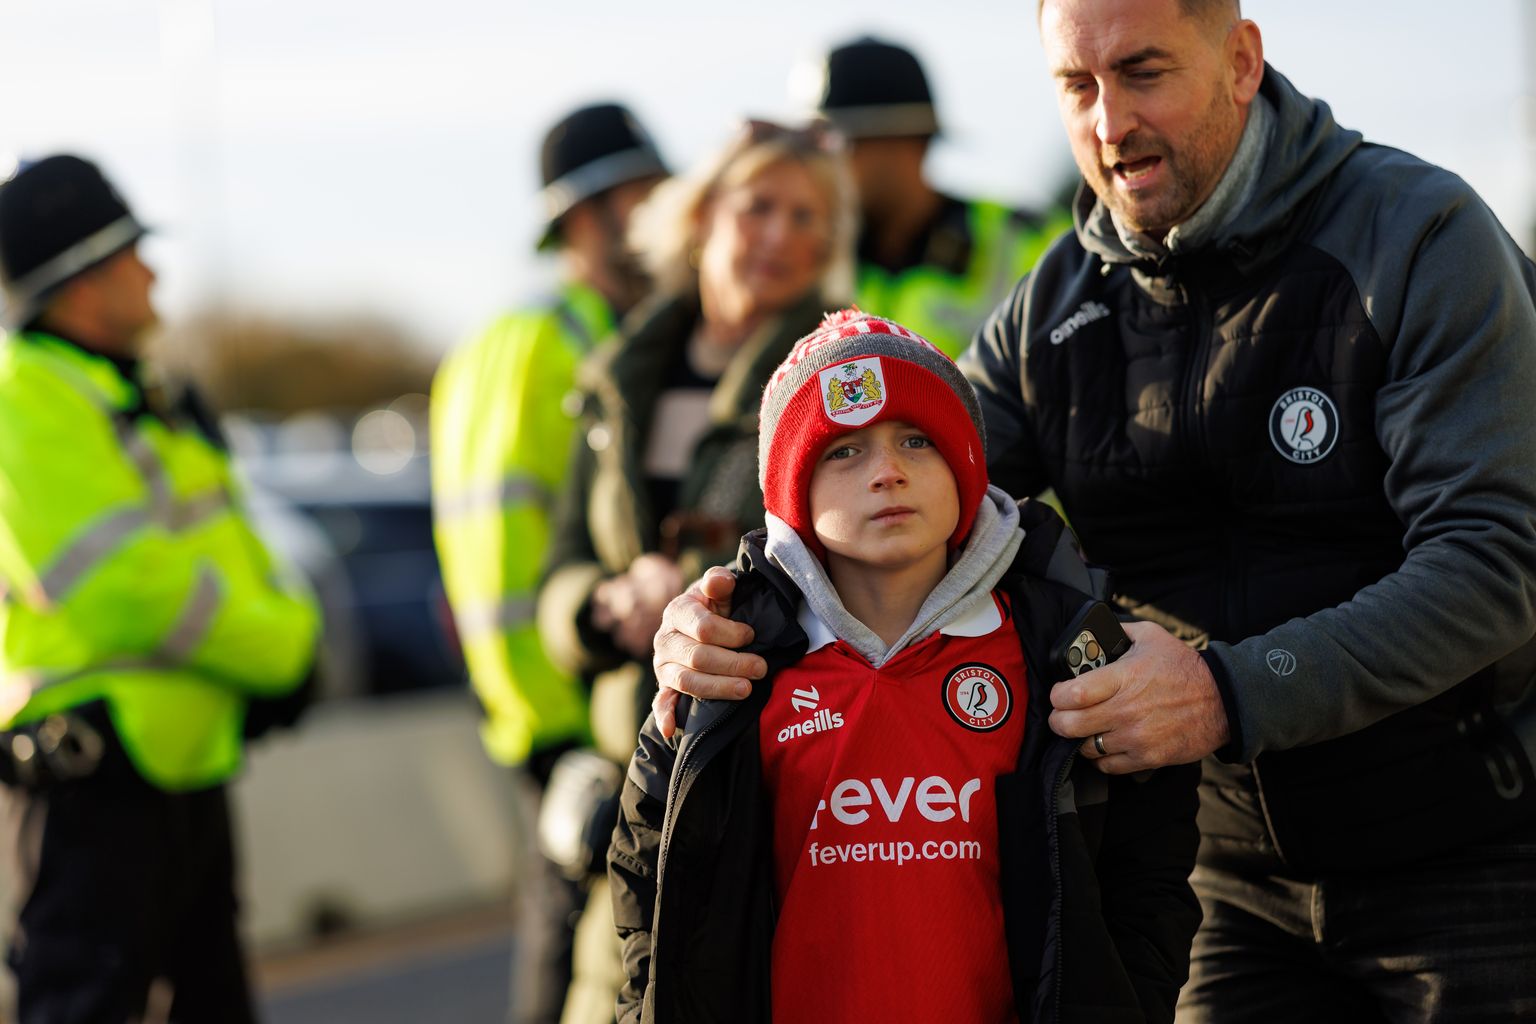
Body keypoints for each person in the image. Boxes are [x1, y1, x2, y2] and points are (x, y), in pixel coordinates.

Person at [653, 1, 1536, 1019]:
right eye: (1077, 86)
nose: (1109, 123)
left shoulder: (1422, 237)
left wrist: (1228, 691)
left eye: (1143, 71)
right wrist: (715, 607)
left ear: (1242, 61)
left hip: (1467, 854)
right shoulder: (1052, 309)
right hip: (1222, 883)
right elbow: (865, 502)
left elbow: (1496, 561)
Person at [609, 310, 1201, 1023]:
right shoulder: (730, 666)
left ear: (966, 467)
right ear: (792, 494)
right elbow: (653, 886)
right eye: (844, 451)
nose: (888, 472)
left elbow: (1149, 862)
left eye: (917, 440)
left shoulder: (1063, 646)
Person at [536, 117, 856, 1024]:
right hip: (635, 781)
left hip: (777, 777)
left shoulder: (835, 375)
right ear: (701, 216)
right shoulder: (616, 382)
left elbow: (858, 566)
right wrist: (602, 607)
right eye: (759, 207)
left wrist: (684, 593)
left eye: (808, 217)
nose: (781, 235)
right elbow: (561, 570)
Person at [0, 154, 321, 1022]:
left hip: (181, 768)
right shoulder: (23, 395)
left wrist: (285, 638)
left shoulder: (142, 390)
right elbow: (122, 588)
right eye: (131, 254)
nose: (152, 272)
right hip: (94, 785)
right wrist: (283, 651)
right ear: (83, 280)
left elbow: (234, 546)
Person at [429, 100, 667, 1024]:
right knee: (570, 949)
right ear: (586, 217)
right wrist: (556, 727)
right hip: (562, 714)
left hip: (583, 705)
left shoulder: (604, 328)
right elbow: (502, 556)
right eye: (643, 194)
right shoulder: (537, 341)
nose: (664, 210)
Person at [807, 36, 1071, 359]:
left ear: (906, 141)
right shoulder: (810, 257)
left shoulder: (1034, 242)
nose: (822, 168)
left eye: (837, 145)